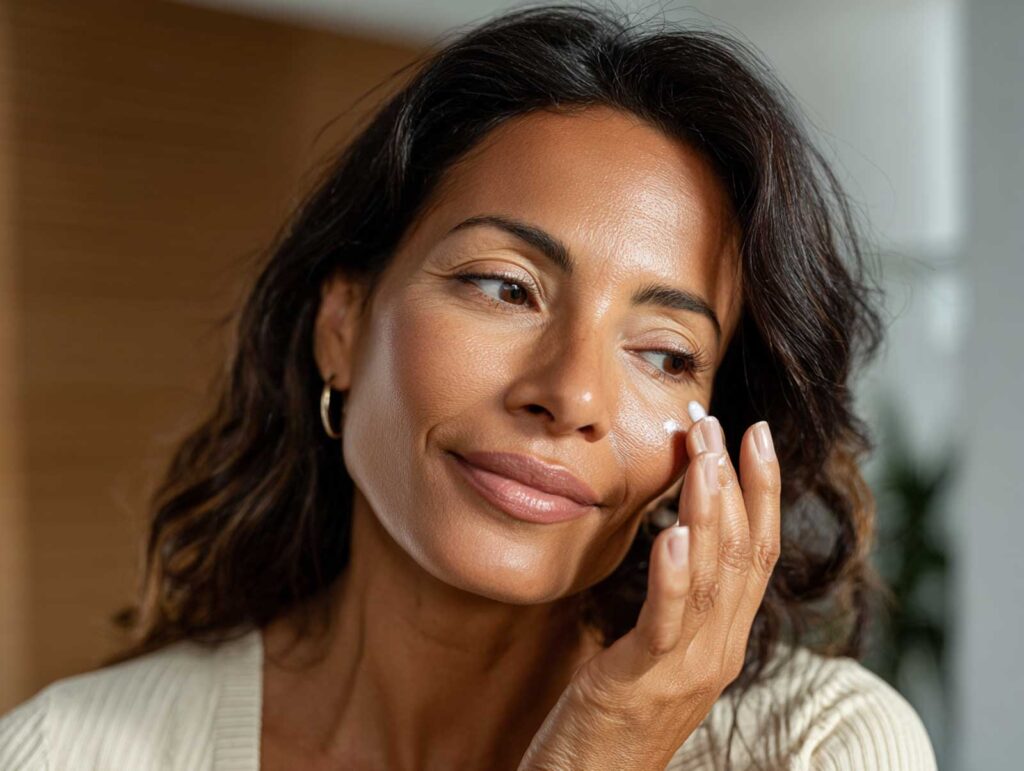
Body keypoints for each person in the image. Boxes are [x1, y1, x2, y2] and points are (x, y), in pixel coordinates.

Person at [0, 4, 938, 769]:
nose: (571, 396)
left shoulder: (818, 748)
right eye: (505, 287)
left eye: (663, 353)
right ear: (342, 327)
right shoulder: (68, 751)